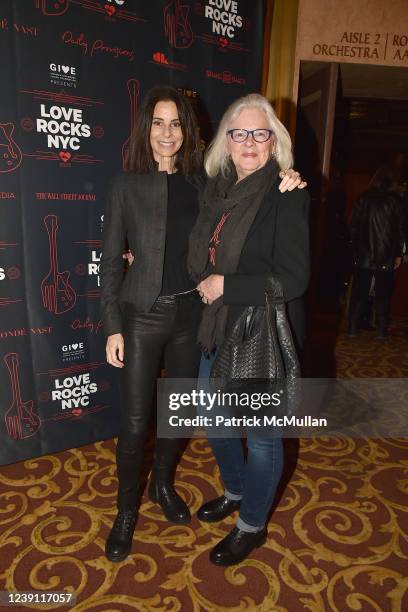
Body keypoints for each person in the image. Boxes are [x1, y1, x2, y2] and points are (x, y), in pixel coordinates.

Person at [100, 85, 305, 563]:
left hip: (199, 317)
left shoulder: (209, 186)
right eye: (157, 123)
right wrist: (112, 322)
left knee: (185, 414)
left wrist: (289, 178)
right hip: (149, 317)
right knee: (138, 423)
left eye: (175, 123)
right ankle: (125, 512)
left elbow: (261, 260)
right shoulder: (136, 186)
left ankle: (168, 489)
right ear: (145, 129)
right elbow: (114, 261)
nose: (167, 133)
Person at [188, 93, 310, 566]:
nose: (250, 142)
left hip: (260, 333)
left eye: (261, 133)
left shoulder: (287, 192)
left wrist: (226, 285)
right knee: (213, 418)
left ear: (274, 142)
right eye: (239, 133)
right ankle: (237, 490)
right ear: (226, 142)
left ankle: (252, 524)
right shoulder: (214, 192)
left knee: (262, 436)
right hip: (216, 328)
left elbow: (294, 279)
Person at [347, 166, 406, 339]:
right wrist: (398, 254)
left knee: (360, 292)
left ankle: (352, 328)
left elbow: (352, 226)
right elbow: (400, 231)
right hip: (386, 255)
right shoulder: (395, 202)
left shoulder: (363, 198)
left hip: (363, 253)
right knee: (383, 294)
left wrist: (355, 249)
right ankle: (381, 331)